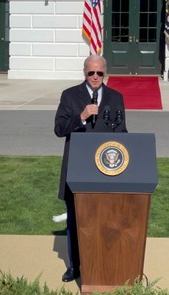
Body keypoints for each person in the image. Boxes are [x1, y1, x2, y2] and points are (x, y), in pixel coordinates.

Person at [54, 55, 128, 282]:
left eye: (99, 73)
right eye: (91, 73)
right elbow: (59, 129)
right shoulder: (70, 95)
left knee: (106, 220)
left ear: (105, 73)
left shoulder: (116, 97)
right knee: (77, 221)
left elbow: (122, 132)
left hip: (106, 170)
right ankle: (75, 266)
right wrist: (82, 116)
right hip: (78, 168)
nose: (95, 77)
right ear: (84, 72)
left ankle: (105, 263)